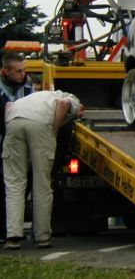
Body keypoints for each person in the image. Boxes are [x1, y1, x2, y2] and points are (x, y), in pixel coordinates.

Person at [2, 90, 84, 249]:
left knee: (14, 183)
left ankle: (13, 236)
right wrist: (54, 130)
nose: (80, 114)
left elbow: (8, 106)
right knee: (42, 183)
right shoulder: (71, 98)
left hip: (14, 121)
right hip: (41, 125)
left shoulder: (38, 97)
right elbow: (64, 104)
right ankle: (43, 237)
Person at [0, 52, 35, 244]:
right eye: (18, 71)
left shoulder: (28, 87)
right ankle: (5, 231)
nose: (23, 74)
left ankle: (13, 230)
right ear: (6, 72)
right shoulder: (1, 91)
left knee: (22, 187)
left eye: (24, 70)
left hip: (24, 147)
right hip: (5, 146)